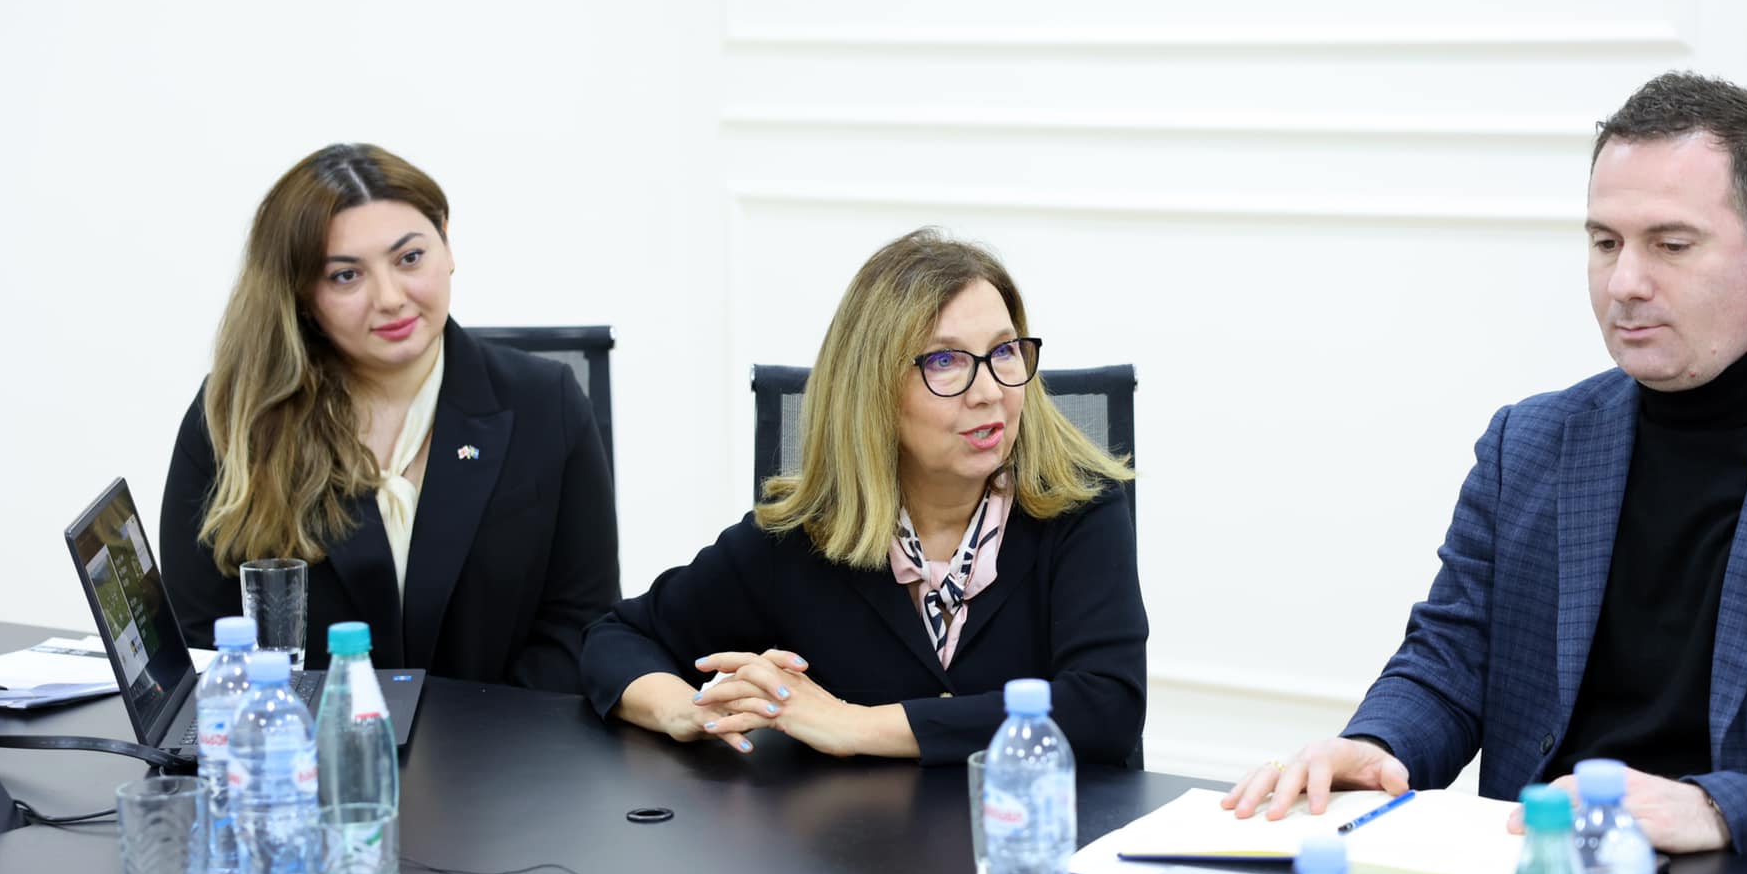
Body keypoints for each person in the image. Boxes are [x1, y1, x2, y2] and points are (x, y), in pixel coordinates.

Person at [1223, 73, 1747, 874]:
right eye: (1605, 243)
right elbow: (1451, 664)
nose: (1625, 283)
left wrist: (1714, 809)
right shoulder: (1528, 442)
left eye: (1671, 245)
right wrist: (1379, 742)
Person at [581, 228, 1145, 765]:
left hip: (1033, 826)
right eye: (944, 361)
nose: (990, 391)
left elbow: (1105, 707)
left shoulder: (1080, 508)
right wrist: (687, 710)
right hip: (855, 833)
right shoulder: (802, 536)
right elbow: (619, 638)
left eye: (1004, 351)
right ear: (872, 388)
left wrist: (851, 725)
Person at [160, 144, 618, 692]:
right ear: (301, 294)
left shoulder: (547, 403)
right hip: (303, 737)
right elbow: (199, 639)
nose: (391, 298)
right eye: (346, 276)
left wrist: (476, 731)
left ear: (446, 242)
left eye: (409, 258)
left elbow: (580, 627)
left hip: (503, 736)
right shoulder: (237, 416)